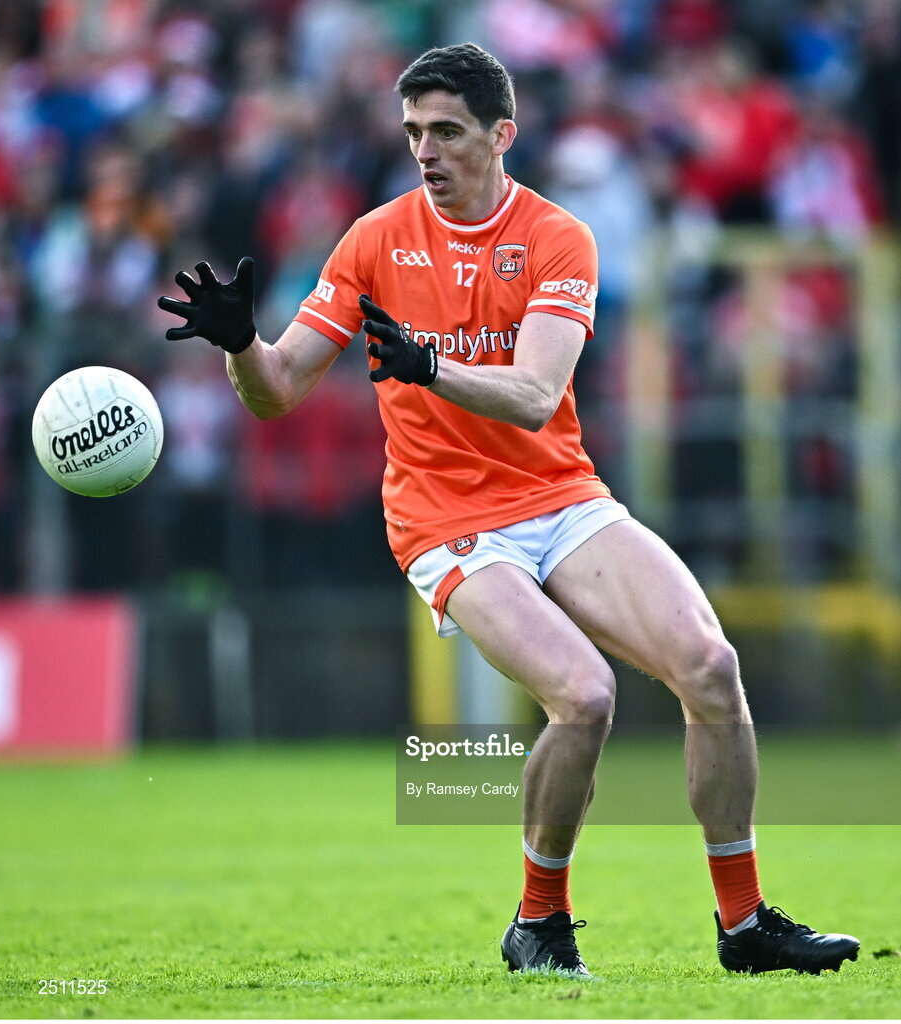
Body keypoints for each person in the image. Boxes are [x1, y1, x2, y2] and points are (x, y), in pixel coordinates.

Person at [158, 42, 860, 978]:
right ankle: (539, 923)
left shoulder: (558, 236)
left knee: (710, 665)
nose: (426, 151)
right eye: (413, 133)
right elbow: (278, 390)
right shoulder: (373, 239)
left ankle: (743, 925)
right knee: (582, 696)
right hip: (443, 520)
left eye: (446, 131)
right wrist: (242, 342)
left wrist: (427, 365)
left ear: (502, 134)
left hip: (559, 493)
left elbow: (534, 394)